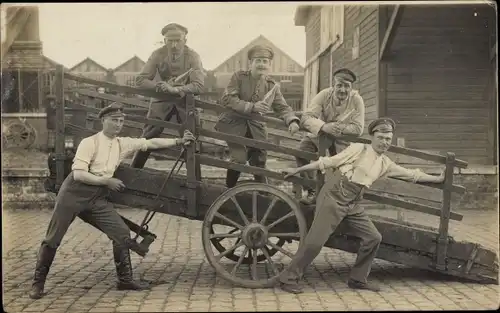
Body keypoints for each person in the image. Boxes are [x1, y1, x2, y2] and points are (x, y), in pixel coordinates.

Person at [29, 102, 196, 299]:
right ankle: (37, 285)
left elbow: (149, 143)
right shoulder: (89, 143)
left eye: (121, 121)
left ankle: (125, 280)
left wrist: (178, 142)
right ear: (103, 121)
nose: (118, 124)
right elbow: (79, 174)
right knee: (53, 238)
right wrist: (106, 181)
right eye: (114, 120)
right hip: (74, 193)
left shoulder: (121, 144)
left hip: (97, 197)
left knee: (122, 233)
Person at [279, 117, 445, 294]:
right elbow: (328, 162)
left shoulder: (385, 163)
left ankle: (358, 279)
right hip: (333, 197)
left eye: (388, 139)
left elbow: (412, 175)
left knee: (373, 237)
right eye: (381, 137)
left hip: (353, 203)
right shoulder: (359, 149)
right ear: (372, 136)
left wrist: (437, 179)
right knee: (315, 241)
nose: (384, 142)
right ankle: (288, 278)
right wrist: (297, 170)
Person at [214, 44, 301, 188]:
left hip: (256, 127)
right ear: (251, 63)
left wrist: (291, 120)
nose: (261, 64)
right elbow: (227, 99)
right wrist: (252, 107)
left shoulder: (271, 85)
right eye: (258, 60)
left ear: (269, 65)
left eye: (265, 61)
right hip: (234, 124)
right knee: (239, 159)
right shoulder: (239, 77)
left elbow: (282, 107)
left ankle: (262, 194)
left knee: (260, 160)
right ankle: (228, 191)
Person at [130, 22, 205, 169]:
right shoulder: (158, 54)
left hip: (186, 100)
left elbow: (198, 86)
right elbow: (140, 80)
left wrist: (176, 90)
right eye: (170, 40)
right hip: (162, 99)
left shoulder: (193, 56)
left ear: (185, 40)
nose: (174, 45)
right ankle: (134, 172)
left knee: (191, 139)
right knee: (148, 136)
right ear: (164, 40)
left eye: (178, 40)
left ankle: (194, 183)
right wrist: (158, 86)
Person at [297, 68, 365, 205]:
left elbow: (358, 128)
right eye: (339, 85)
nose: (343, 90)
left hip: (342, 140)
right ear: (333, 85)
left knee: (343, 168)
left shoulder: (356, 100)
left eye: (347, 86)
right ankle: (312, 190)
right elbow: (307, 117)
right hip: (319, 135)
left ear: (351, 88)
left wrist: (338, 128)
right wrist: (323, 126)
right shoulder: (324, 95)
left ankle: (338, 199)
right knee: (302, 151)